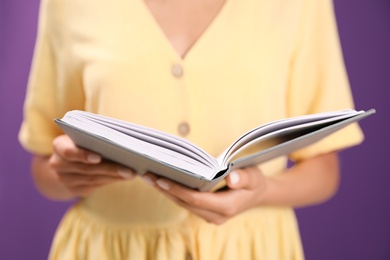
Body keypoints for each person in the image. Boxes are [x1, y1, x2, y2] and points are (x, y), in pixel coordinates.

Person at [19, 0, 364, 259]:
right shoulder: (68, 5)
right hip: (108, 248)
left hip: (252, 249)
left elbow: (324, 170)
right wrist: (66, 174)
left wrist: (264, 191)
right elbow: (43, 168)